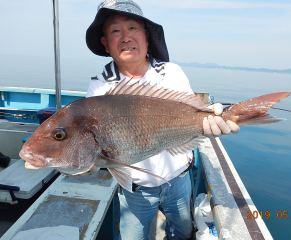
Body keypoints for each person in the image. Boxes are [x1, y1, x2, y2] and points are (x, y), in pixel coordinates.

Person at [85, 1, 239, 239]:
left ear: (146, 36)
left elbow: (191, 113)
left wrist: (209, 121)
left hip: (179, 181)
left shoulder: (171, 72)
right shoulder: (99, 86)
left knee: (183, 232)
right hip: (135, 190)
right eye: (115, 31)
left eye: (133, 28)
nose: (125, 37)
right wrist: (83, 162)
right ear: (105, 43)